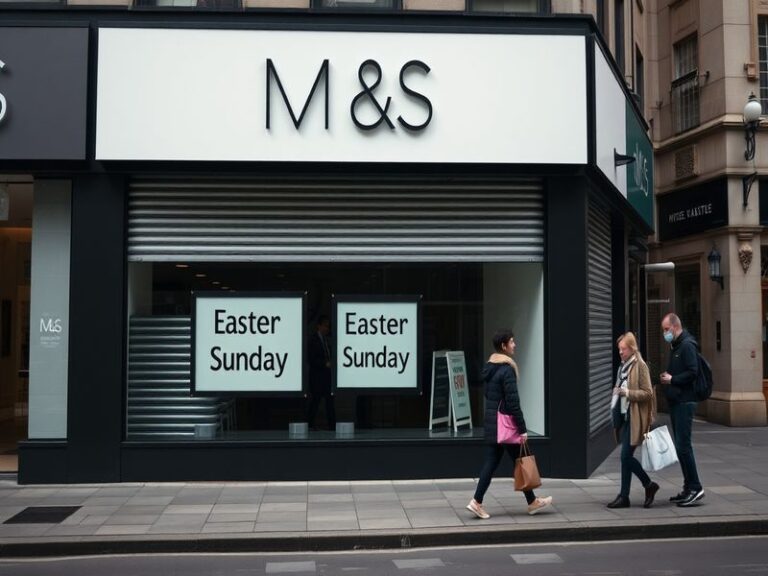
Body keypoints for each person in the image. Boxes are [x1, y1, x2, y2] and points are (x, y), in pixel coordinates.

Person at [466, 329, 553, 519]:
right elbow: (513, 402)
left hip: (493, 424)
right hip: (505, 427)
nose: (515, 345)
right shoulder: (506, 369)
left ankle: (478, 501)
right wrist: (522, 429)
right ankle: (531, 502)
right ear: (504, 346)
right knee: (521, 460)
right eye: (512, 342)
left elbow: (489, 395)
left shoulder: (489, 368)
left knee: (501, 462)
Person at [607, 331, 659, 509]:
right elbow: (619, 386)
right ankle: (625, 496)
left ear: (631, 348)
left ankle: (648, 485)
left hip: (635, 418)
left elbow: (648, 393)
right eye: (619, 349)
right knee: (625, 457)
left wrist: (626, 393)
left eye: (623, 349)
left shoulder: (640, 365)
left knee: (625, 457)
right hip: (623, 417)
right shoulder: (622, 366)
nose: (620, 352)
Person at [660, 313, 705, 507]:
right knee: (681, 447)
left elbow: (693, 372)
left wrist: (672, 379)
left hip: (685, 402)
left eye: (666, 329)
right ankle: (688, 487)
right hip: (677, 402)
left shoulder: (687, 346)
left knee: (683, 446)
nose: (665, 333)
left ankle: (695, 487)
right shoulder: (676, 346)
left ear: (675, 327)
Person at [306, 315, 336, 430]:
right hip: (317, 377)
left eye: (328, 327)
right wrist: (325, 364)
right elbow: (312, 359)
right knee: (315, 401)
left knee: (330, 401)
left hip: (327, 377)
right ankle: (309, 424)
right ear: (319, 326)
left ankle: (332, 426)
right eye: (325, 326)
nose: (326, 328)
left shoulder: (327, 340)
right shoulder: (313, 340)